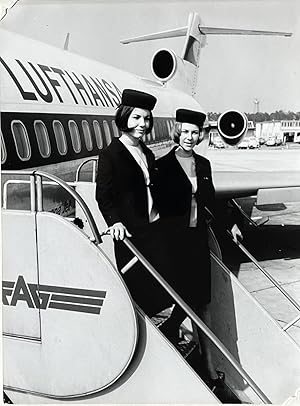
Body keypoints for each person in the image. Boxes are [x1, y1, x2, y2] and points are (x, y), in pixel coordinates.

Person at [154, 108, 243, 384]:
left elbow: (213, 199)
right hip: (173, 242)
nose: (190, 137)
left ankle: (207, 365)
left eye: (195, 132)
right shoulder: (163, 165)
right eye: (185, 132)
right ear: (177, 132)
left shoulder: (203, 164)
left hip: (197, 240)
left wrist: (231, 223)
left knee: (202, 302)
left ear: (201, 135)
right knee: (180, 296)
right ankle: (170, 335)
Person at [95, 88, 174, 316]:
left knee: (160, 286)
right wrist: (115, 222)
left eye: (147, 118)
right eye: (136, 117)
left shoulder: (146, 152)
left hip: (155, 228)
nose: (142, 123)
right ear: (125, 116)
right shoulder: (111, 154)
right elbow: (103, 195)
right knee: (138, 288)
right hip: (132, 233)